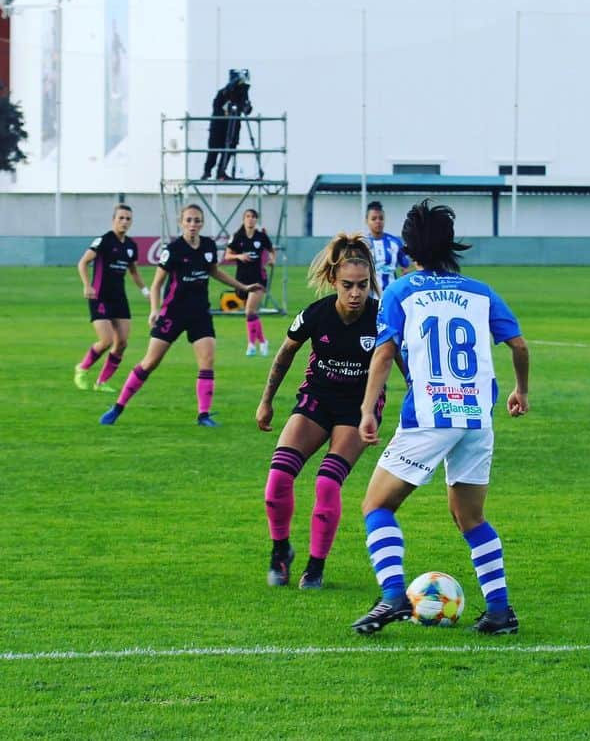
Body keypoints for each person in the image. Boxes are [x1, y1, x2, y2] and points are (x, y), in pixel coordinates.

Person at [350, 200, 530, 636]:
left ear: (409, 248)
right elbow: (520, 346)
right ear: (451, 245)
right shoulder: (481, 292)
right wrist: (521, 389)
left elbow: (385, 352)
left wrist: (368, 408)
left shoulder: (399, 292)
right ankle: (500, 612)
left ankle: (393, 594)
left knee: (377, 506)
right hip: (476, 416)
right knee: (470, 517)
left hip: (429, 414)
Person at [256, 233, 383, 590]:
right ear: (333, 281)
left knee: (327, 482)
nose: (356, 293)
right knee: (277, 481)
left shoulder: (381, 317)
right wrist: (266, 401)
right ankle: (280, 551)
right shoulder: (316, 314)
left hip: (358, 409)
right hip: (316, 399)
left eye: (362, 285)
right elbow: (284, 354)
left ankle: (315, 567)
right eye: (348, 285)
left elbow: (403, 363)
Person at [100, 204, 263, 427]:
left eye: (197, 220)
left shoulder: (207, 245)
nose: (193, 224)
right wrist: (154, 310)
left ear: (202, 223)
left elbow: (214, 271)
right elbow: (157, 284)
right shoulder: (173, 249)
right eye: (188, 220)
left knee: (207, 360)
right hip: (172, 313)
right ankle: (118, 407)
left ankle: (203, 415)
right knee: (150, 362)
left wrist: (243, 287)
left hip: (199, 313)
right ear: (181, 223)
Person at [74, 204, 150, 392]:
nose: (124, 222)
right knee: (106, 340)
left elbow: (133, 272)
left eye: (128, 219)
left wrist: (146, 292)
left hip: (119, 298)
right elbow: (83, 263)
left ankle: (101, 382)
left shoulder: (131, 246)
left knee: (122, 343)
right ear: (113, 220)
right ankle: (82, 368)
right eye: (121, 218)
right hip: (99, 296)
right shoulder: (104, 241)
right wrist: (87, 285)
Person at [225, 208, 276, 356]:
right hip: (242, 280)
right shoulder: (237, 236)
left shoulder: (261, 237)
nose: (250, 219)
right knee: (252, 313)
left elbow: (272, 250)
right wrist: (239, 256)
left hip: (259, 278)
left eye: (253, 217)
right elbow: (227, 255)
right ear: (243, 219)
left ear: (256, 220)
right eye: (248, 216)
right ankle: (263, 341)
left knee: (249, 311)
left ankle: (251, 345)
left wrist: (272, 259)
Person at [201, 69, 252, 181]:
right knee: (213, 150)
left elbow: (246, 109)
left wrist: (246, 107)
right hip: (219, 127)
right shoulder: (222, 93)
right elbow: (219, 103)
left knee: (229, 150)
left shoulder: (242, 94)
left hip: (233, 129)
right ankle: (207, 171)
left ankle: (221, 172)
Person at [364, 200, 410, 290]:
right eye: (374, 219)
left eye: (381, 218)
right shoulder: (363, 244)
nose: (378, 221)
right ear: (367, 221)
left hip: (391, 292)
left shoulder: (395, 242)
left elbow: (405, 269)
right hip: (369, 295)